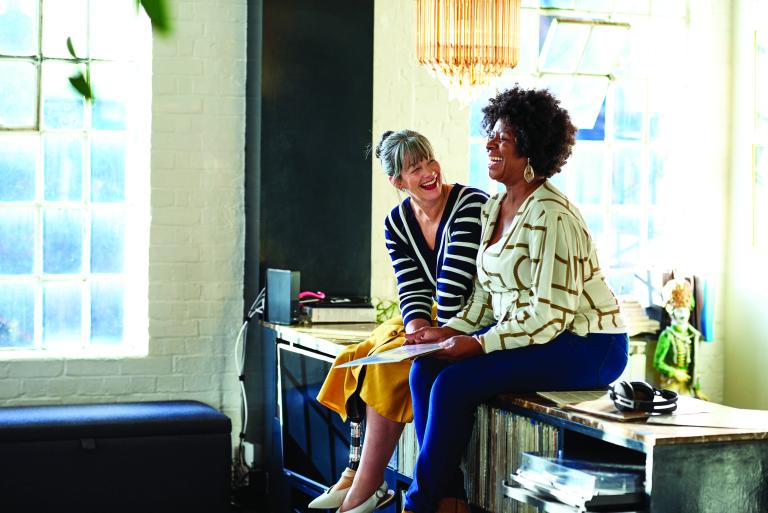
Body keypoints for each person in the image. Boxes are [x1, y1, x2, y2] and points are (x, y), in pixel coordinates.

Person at [401, 87, 629, 513]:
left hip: (587, 344)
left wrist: (480, 344)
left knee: (456, 382)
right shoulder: (495, 207)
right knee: (426, 367)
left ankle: (420, 504)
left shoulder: (552, 215)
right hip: (540, 334)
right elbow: (486, 297)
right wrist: (448, 331)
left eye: (501, 138)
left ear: (529, 152)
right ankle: (450, 499)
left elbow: (548, 316)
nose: (489, 143)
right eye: (491, 134)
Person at [309, 130, 489, 513]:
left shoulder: (470, 204)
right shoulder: (397, 222)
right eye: (415, 168)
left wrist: (423, 333)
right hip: (434, 321)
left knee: (387, 366)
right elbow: (411, 290)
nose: (429, 173)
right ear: (397, 181)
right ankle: (358, 471)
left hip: (473, 320)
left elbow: (454, 290)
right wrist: (414, 329)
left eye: (430, 161)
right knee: (360, 355)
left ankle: (367, 482)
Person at [653, 278, 707, 399]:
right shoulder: (667, 335)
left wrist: (696, 389)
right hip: (670, 384)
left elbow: (694, 366)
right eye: (679, 310)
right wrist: (674, 373)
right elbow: (657, 363)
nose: (682, 314)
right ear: (671, 311)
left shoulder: (693, 336)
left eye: (685, 310)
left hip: (687, 385)